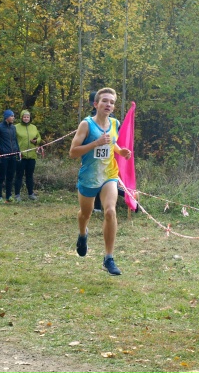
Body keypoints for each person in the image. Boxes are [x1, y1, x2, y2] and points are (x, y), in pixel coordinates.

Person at [69, 87, 131, 276]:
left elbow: (112, 143)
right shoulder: (86, 125)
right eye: (105, 101)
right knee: (85, 214)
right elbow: (73, 152)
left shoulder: (114, 123)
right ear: (96, 104)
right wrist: (95, 143)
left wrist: (120, 151)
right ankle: (82, 234)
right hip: (89, 177)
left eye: (112, 102)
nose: (108, 104)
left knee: (110, 211)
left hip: (109, 175)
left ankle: (108, 258)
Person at [14, 110, 41, 202]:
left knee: (30, 175)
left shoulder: (34, 127)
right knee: (19, 175)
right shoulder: (16, 127)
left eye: (28, 117)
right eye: (24, 117)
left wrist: (36, 141)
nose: (26, 118)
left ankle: (31, 194)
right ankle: (17, 194)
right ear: (21, 117)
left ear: (30, 118)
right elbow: (13, 139)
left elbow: (39, 137)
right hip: (20, 156)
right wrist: (16, 150)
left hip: (32, 155)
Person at [0, 109, 20, 203]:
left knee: (10, 176)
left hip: (13, 155)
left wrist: (18, 151)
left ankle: (9, 195)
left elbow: (15, 140)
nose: (13, 118)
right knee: (1, 177)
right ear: (6, 117)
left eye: (13, 116)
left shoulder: (13, 128)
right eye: (11, 116)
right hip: (3, 156)